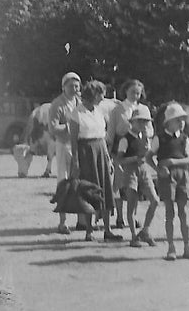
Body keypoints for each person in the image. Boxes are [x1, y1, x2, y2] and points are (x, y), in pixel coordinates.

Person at [67, 80, 120, 242]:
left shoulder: (99, 112)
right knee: (89, 190)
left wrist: (109, 160)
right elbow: (73, 140)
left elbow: (103, 135)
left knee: (105, 190)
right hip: (85, 152)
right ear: (92, 94)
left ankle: (107, 230)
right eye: (100, 94)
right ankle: (89, 230)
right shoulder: (77, 113)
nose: (102, 97)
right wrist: (75, 161)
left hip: (101, 150)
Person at [151, 104, 189, 260]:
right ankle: (171, 247)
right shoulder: (159, 138)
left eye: (182, 120)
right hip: (167, 177)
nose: (181, 123)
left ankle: (187, 247)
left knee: (183, 212)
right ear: (168, 122)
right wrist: (158, 169)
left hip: (182, 175)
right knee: (169, 212)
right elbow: (148, 157)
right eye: (178, 120)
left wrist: (171, 161)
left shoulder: (184, 139)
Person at [113, 104, 160, 248]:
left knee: (155, 200)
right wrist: (134, 159)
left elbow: (146, 157)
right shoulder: (125, 139)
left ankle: (145, 230)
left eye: (145, 122)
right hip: (130, 171)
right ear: (132, 122)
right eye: (139, 121)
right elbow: (119, 159)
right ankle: (134, 236)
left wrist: (157, 169)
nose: (142, 124)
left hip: (143, 169)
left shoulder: (145, 138)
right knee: (132, 205)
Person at [48, 72, 83, 234]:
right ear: (63, 87)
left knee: (79, 181)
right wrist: (69, 128)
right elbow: (53, 128)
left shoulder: (80, 102)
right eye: (70, 86)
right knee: (63, 181)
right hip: (63, 146)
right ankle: (62, 222)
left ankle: (82, 219)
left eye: (76, 86)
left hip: (78, 145)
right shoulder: (57, 104)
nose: (74, 89)